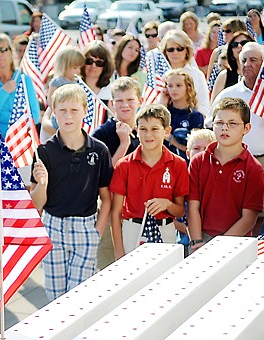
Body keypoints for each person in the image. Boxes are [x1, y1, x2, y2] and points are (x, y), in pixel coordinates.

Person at [30, 84, 112, 301]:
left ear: (85, 111)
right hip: (53, 227)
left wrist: (98, 231)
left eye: (74, 110)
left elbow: (106, 197)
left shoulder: (99, 150)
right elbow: (37, 203)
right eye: (62, 110)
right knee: (56, 298)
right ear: (54, 112)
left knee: (78, 297)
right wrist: (42, 184)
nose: (68, 116)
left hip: (85, 228)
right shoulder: (44, 152)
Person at [212, 42, 264, 221]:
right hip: (234, 162)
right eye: (243, 60)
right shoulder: (228, 95)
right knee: (237, 216)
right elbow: (211, 125)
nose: (247, 64)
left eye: (253, 60)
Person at [110, 104, 189, 259]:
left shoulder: (178, 164)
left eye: (154, 129)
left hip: (165, 230)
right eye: (143, 129)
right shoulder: (124, 165)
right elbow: (116, 213)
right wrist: (119, 251)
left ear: (166, 131)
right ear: (136, 130)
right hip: (132, 229)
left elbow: (180, 210)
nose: (148, 135)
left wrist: (167, 204)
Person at [187, 98, 264, 252]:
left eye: (232, 123)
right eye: (219, 123)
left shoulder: (253, 168)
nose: (224, 128)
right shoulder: (198, 161)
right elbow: (192, 207)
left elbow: (249, 218)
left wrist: (219, 247)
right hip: (201, 239)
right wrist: (196, 242)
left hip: (236, 243)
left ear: (246, 128)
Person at [91, 77, 143, 269]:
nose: (125, 105)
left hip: (139, 208)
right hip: (111, 205)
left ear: (140, 101)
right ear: (112, 103)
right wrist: (123, 145)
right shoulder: (101, 135)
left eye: (130, 100)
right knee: (109, 264)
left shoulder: (145, 129)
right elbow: (101, 176)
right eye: (119, 101)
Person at [0, 33, 40, 137]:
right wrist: (3, 92)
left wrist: (2, 118)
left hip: (22, 140)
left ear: (11, 51)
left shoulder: (24, 79)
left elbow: (35, 116)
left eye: (3, 49)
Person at [172, 128, 216, 256]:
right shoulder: (178, 179)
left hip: (211, 237)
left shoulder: (217, 180)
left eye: (206, 149)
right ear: (187, 153)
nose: (201, 153)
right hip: (182, 240)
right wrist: (185, 228)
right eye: (196, 148)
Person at [40, 46, 85, 141]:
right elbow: (50, 101)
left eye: (79, 68)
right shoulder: (57, 81)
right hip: (59, 116)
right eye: (75, 68)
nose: (78, 71)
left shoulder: (77, 82)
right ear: (65, 66)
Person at [160, 30, 209, 115]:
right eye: (171, 49)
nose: (175, 53)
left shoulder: (197, 75)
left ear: (187, 50)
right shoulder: (160, 76)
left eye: (180, 49)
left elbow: (204, 106)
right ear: (165, 52)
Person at [161, 69, 204, 161]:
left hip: (185, 164)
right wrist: (162, 104)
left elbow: (195, 148)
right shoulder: (165, 112)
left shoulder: (195, 115)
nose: (174, 89)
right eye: (170, 86)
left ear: (188, 87)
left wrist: (172, 140)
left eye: (178, 85)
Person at [210, 31, 254, 103]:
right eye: (235, 44)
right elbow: (214, 105)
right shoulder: (224, 76)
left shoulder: (260, 74)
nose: (239, 46)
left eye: (244, 43)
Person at [206, 18, 247, 82]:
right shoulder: (217, 52)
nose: (224, 33)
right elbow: (209, 78)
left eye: (228, 31)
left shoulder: (247, 50)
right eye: (223, 30)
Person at [80, 40, 114, 105]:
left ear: (106, 66)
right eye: (89, 61)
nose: (93, 66)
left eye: (99, 63)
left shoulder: (111, 92)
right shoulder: (74, 86)